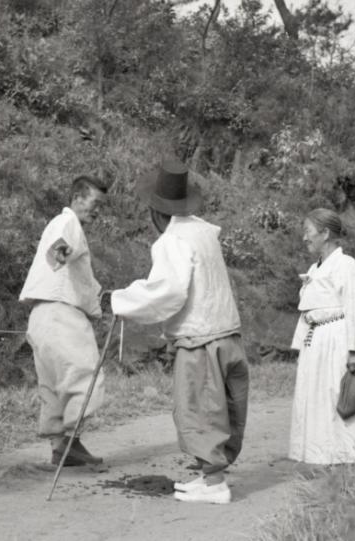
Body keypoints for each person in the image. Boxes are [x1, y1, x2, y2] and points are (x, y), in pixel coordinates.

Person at [110, 157, 249, 505]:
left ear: (156, 213)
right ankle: (211, 475)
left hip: (200, 338)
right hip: (228, 333)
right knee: (223, 407)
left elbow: (167, 291)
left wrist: (119, 301)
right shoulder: (205, 232)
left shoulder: (172, 240)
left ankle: (214, 482)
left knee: (199, 408)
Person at [19, 175, 109, 467]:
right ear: (78, 198)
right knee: (84, 373)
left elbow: (81, 278)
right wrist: (61, 250)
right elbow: (62, 244)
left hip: (42, 317)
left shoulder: (62, 225)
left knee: (54, 385)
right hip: (60, 314)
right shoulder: (67, 222)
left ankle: (63, 448)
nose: (97, 210)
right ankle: (69, 441)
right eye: (94, 203)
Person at [288, 208, 355, 464]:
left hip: (337, 341)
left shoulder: (347, 265)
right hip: (315, 342)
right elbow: (309, 311)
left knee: (340, 395)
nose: (304, 238)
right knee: (317, 398)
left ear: (325, 233)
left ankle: (352, 456)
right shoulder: (314, 268)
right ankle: (323, 455)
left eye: (308, 231)